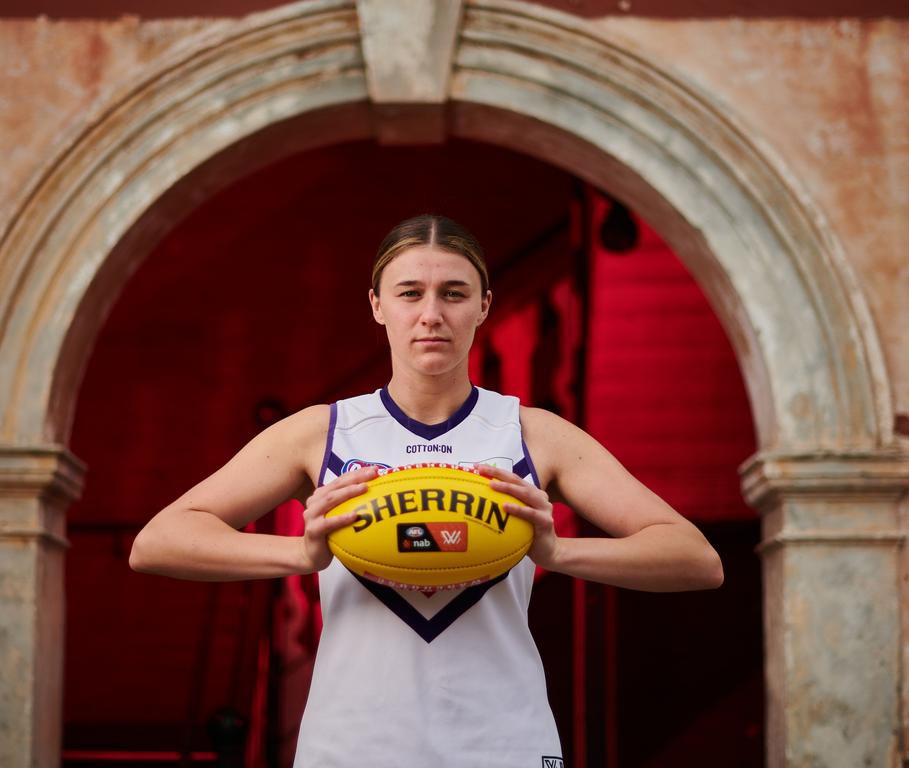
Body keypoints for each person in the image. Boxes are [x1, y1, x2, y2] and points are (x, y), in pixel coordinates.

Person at [129, 214, 724, 767]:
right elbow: (158, 542)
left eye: (454, 293)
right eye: (410, 293)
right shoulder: (322, 432)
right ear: (377, 306)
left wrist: (557, 553)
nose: (431, 314)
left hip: (503, 741)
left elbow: (695, 560)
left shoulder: (532, 432)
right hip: (353, 744)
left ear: (484, 305)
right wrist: (301, 554)